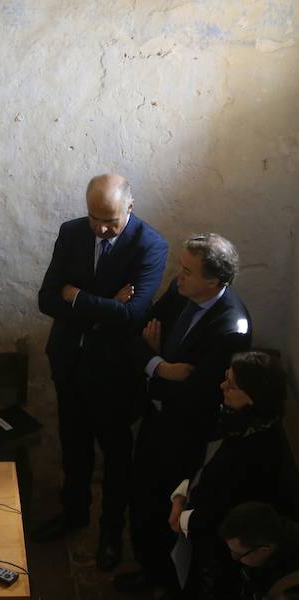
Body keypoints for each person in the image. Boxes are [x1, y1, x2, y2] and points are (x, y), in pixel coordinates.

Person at [34, 173, 168, 569]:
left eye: (110, 220)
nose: (101, 228)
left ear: (130, 207)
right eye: (94, 217)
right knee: (73, 449)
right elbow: (46, 299)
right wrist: (104, 304)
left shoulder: (150, 245)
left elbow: (132, 316)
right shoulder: (72, 232)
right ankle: (73, 513)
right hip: (69, 362)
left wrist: (77, 298)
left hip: (114, 373)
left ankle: (111, 532)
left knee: (115, 457)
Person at [115, 233, 252, 594]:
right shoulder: (182, 292)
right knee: (142, 498)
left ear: (214, 282)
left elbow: (195, 393)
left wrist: (153, 366)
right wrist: (161, 367)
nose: (178, 276)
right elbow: (135, 334)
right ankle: (149, 570)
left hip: (188, 434)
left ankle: (168, 581)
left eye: (188, 271)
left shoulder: (230, 329)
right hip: (156, 418)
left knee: (170, 510)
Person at [168, 351, 286, 597]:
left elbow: (213, 512)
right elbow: (204, 465)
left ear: (252, 397)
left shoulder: (252, 451)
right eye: (225, 378)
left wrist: (179, 514)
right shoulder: (241, 423)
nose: (222, 386)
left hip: (220, 550)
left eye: (231, 385)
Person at [220, 502, 299, 600]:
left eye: (238, 554)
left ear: (264, 550)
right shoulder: (270, 534)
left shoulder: (290, 588)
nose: (233, 557)